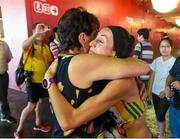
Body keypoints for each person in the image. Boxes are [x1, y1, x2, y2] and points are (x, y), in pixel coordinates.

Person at [44, 23, 151, 137]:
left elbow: (68, 121)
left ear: (114, 55)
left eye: (100, 41)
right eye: (95, 38)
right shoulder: (102, 75)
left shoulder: (122, 83)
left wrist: (48, 80)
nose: (91, 43)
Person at [14, 23, 53, 138]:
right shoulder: (30, 45)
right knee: (31, 106)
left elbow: (49, 63)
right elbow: (23, 45)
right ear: (34, 31)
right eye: (39, 29)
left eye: (44, 29)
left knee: (40, 103)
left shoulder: (45, 47)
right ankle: (19, 130)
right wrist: (36, 33)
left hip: (43, 80)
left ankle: (38, 124)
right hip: (32, 81)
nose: (42, 32)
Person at [147, 37, 176, 138]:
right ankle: (160, 134)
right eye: (162, 46)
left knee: (160, 115)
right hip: (155, 92)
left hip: (167, 94)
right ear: (159, 48)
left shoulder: (174, 62)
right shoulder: (156, 61)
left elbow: (175, 80)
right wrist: (149, 91)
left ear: (171, 48)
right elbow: (152, 76)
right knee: (158, 114)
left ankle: (161, 136)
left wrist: (165, 91)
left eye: (167, 46)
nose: (164, 49)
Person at [164, 47, 180, 138]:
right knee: (175, 134)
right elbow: (171, 75)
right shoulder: (179, 60)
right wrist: (167, 87)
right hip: (174, 105)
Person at [0, 40, 16, 124]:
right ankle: (5, 114)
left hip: (3, 75)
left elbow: (8, 58)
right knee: (2, 97)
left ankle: (4, 114)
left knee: (4, 96)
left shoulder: (4, 44)